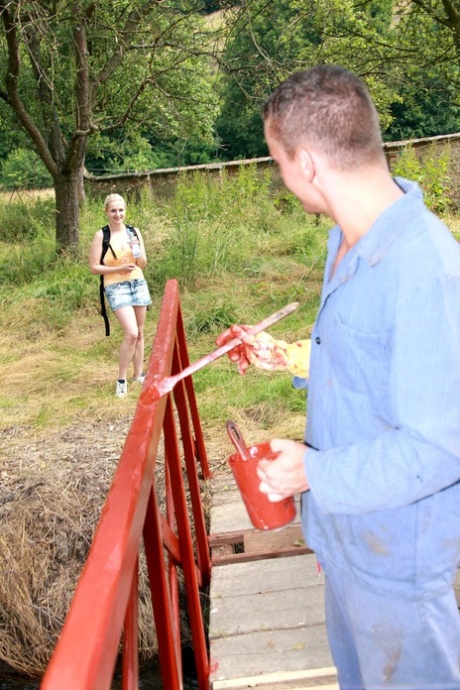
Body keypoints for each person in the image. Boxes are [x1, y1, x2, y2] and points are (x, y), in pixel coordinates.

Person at [216, 65, 460, 690]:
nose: (282, 176)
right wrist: (290, 356)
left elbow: (438, 448)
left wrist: (311, 471)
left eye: (277, 161)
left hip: (394, 565)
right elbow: (369, 367)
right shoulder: (346, 243)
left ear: (308, 164)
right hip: (343, 540)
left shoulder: (427, 270)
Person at [89, 193, 152, 398]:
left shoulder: (134, 232)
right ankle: (121, 379)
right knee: (131, 333)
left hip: (137, 282)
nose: (118, 214)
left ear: (126, 210)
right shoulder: (102, 235)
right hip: (116, 286)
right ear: (107, 212)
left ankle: (139, 375)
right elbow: (94, 267)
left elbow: (143, 263)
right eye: (114, 210)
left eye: (121, 210)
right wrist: (118, 269)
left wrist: (137, 253)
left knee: (140, 333)